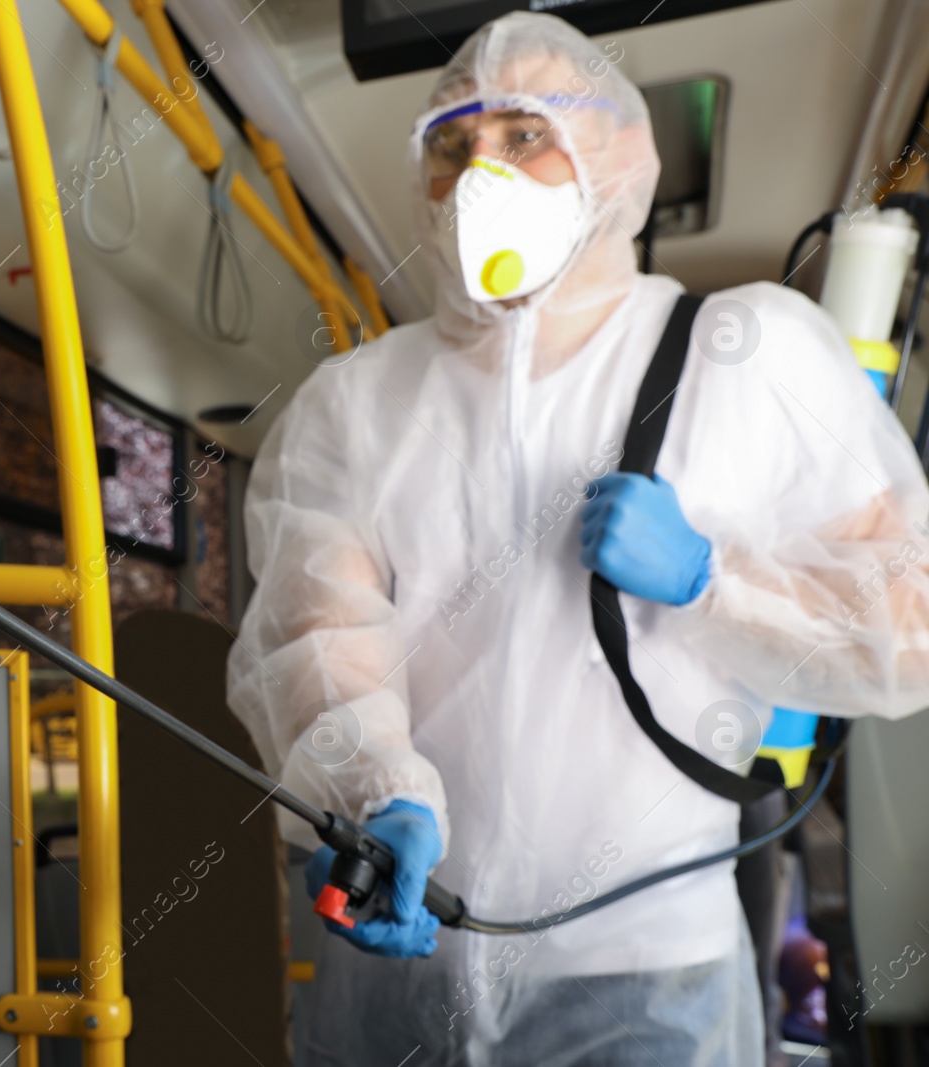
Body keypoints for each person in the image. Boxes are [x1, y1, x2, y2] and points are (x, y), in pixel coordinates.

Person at [226, 11, 929, 1065]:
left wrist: (711, 578)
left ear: (615, 155)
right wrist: (377, 793)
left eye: (521, 137)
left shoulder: (747, 352)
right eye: (451, 147)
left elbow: (906, 614)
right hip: (401, 943)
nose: (479, 173)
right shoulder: (354, 403)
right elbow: (317, 645)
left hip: (642, 965)